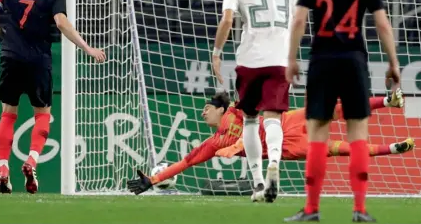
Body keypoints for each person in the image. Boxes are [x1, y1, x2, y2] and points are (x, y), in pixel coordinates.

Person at [284, 0, 400, 222]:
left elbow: (298, 21)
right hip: (353, 59)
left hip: (322, 59)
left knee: (318, 134)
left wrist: (291, 59)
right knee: (358, 133)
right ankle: (360, 209)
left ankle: (311, 209)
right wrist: (393, 62)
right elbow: (382, 24)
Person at [0, 0, 106, 194]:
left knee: (8, 114)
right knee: (42, 115)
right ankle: (31, 160)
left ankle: (3, 167)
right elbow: (61, 23)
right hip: (38, 60)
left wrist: (3, 34)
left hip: (11, 57)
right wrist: (88, 48)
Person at [126, 90, 413, 196]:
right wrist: (153, 179)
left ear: (220, 109)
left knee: (332, 110)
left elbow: (248, 96)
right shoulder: (213, 143)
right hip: (284, 148)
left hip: (282, 125)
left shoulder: (236, 109)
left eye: (206, 108)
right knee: (336, 148)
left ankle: (386, 101)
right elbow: (185, 163)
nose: (202, 113)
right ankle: (392, 147)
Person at [211, 0, 299, 202]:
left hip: (250, 61)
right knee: (273, 117)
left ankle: (259, 182)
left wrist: (216, 53)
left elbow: (227, 20)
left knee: (250, 118)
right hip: (280, 60)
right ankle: (274, 161)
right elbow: (298, 24)